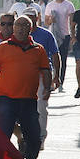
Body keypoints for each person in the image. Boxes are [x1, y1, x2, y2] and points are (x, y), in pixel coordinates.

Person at [0, 15, 52, 159]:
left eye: (25, 25)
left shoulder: (38, 49)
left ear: (30, 29)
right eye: (18, 25)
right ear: (13, 28)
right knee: (3, 135)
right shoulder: (3, 47)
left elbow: (45, 71)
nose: (20, 28)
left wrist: (47, 88)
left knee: (34, 135)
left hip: (28, 99)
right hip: (6, 98)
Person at [25, 8, 60, 149]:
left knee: (41, 106)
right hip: (25, 75)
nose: (29, 21)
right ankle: (27, 137)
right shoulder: (20, 35)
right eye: (26, 17)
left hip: (43, 74)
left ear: (37, 17)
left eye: (32, 17)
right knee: (25, 106)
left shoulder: (46, 35)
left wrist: (56, 76)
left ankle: (40, 137)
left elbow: (55, 55)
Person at [44, 0, 75, 92]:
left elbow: (72, 22)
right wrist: (51, 20)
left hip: (65, 35)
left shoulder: (69, 5)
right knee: (52, 58)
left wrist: (72, 35)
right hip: (52, 35)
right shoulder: (50, 5)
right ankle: (53, 80)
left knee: (63, 58)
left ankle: (61, 80)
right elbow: (46, 21)